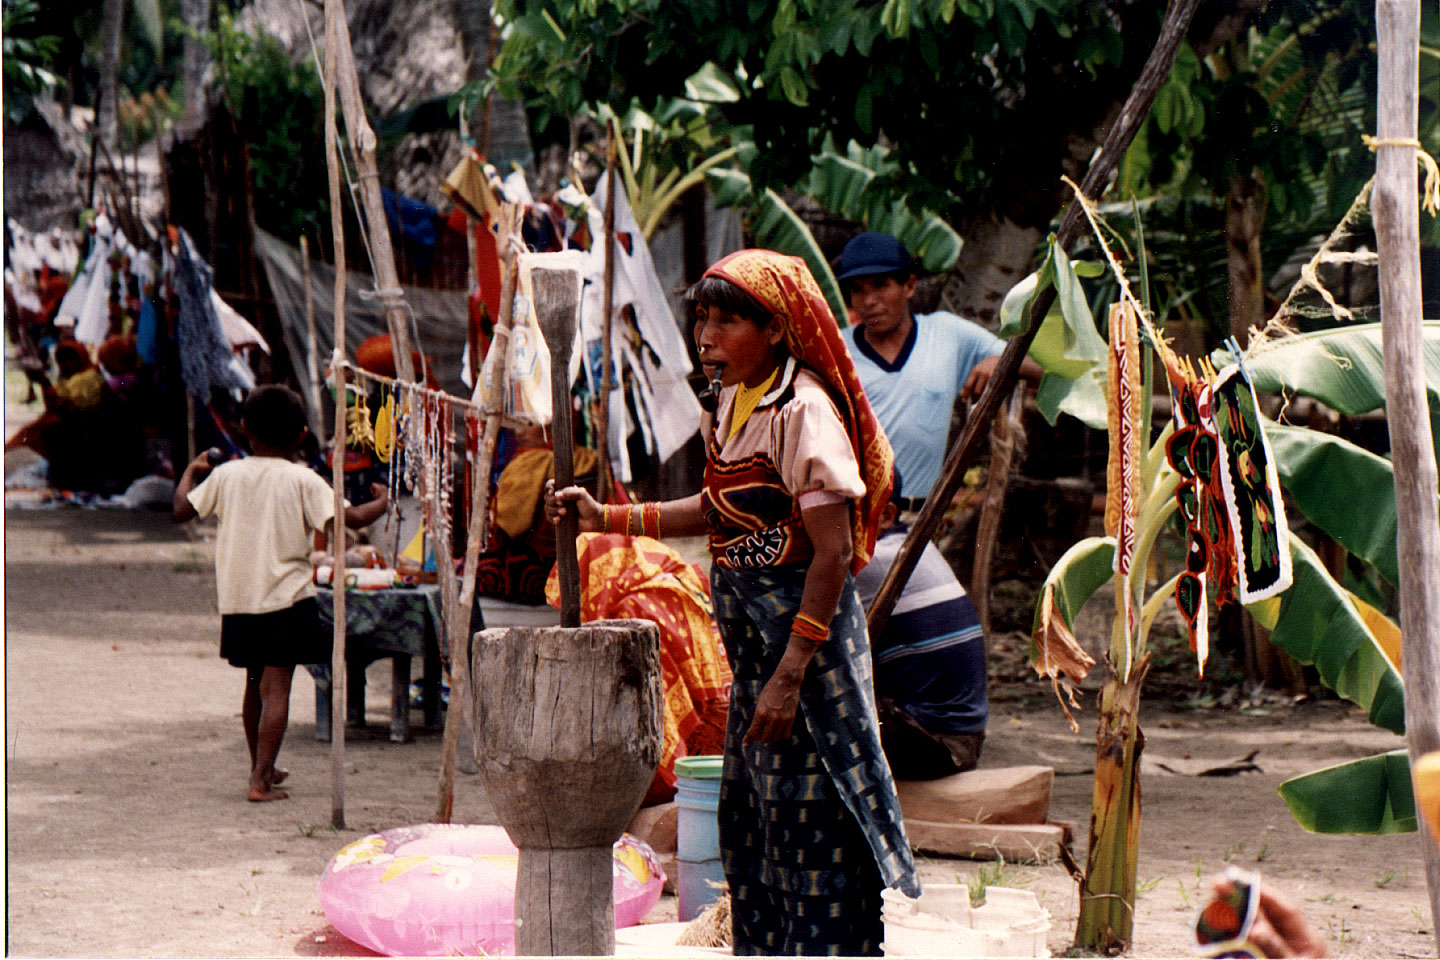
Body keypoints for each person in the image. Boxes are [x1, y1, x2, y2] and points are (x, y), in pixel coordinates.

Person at [547, 249, 919, 955]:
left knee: (818, 821)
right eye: (702, 320)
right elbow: (720, 509)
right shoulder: (731, 399)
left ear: (777, 328)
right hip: (757, 658)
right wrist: (607, 517)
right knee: (757, 819)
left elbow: (833, 554)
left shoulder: (803, 412)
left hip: (805, 663)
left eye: (727, 321)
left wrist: (789, 674)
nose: (706, 336)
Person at [173, 385, 389, 803]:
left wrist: (191, 471)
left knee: (254, 687)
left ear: (244, 430)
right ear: (302, 434)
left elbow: (181, 509)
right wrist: (384, 500)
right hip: (286, 599)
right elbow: (354, 518)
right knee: (278, 691)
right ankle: (258, 781)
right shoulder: (304, 480)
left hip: (239, 599)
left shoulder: (226, 474)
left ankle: (264, 767)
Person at [838, 231, 1043, 506]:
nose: (869, 300)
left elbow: (1040, 368)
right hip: (854, 517)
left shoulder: (947, 333)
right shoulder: (836, 350)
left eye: (880, 285)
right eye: (857, 290)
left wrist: (1000, 362)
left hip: (918, 519)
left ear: (909, 286)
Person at [854, 469, 988, 779]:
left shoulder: (871, 562)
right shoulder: (911, 546)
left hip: (937, 744)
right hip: (958, 739)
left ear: (886, 516)